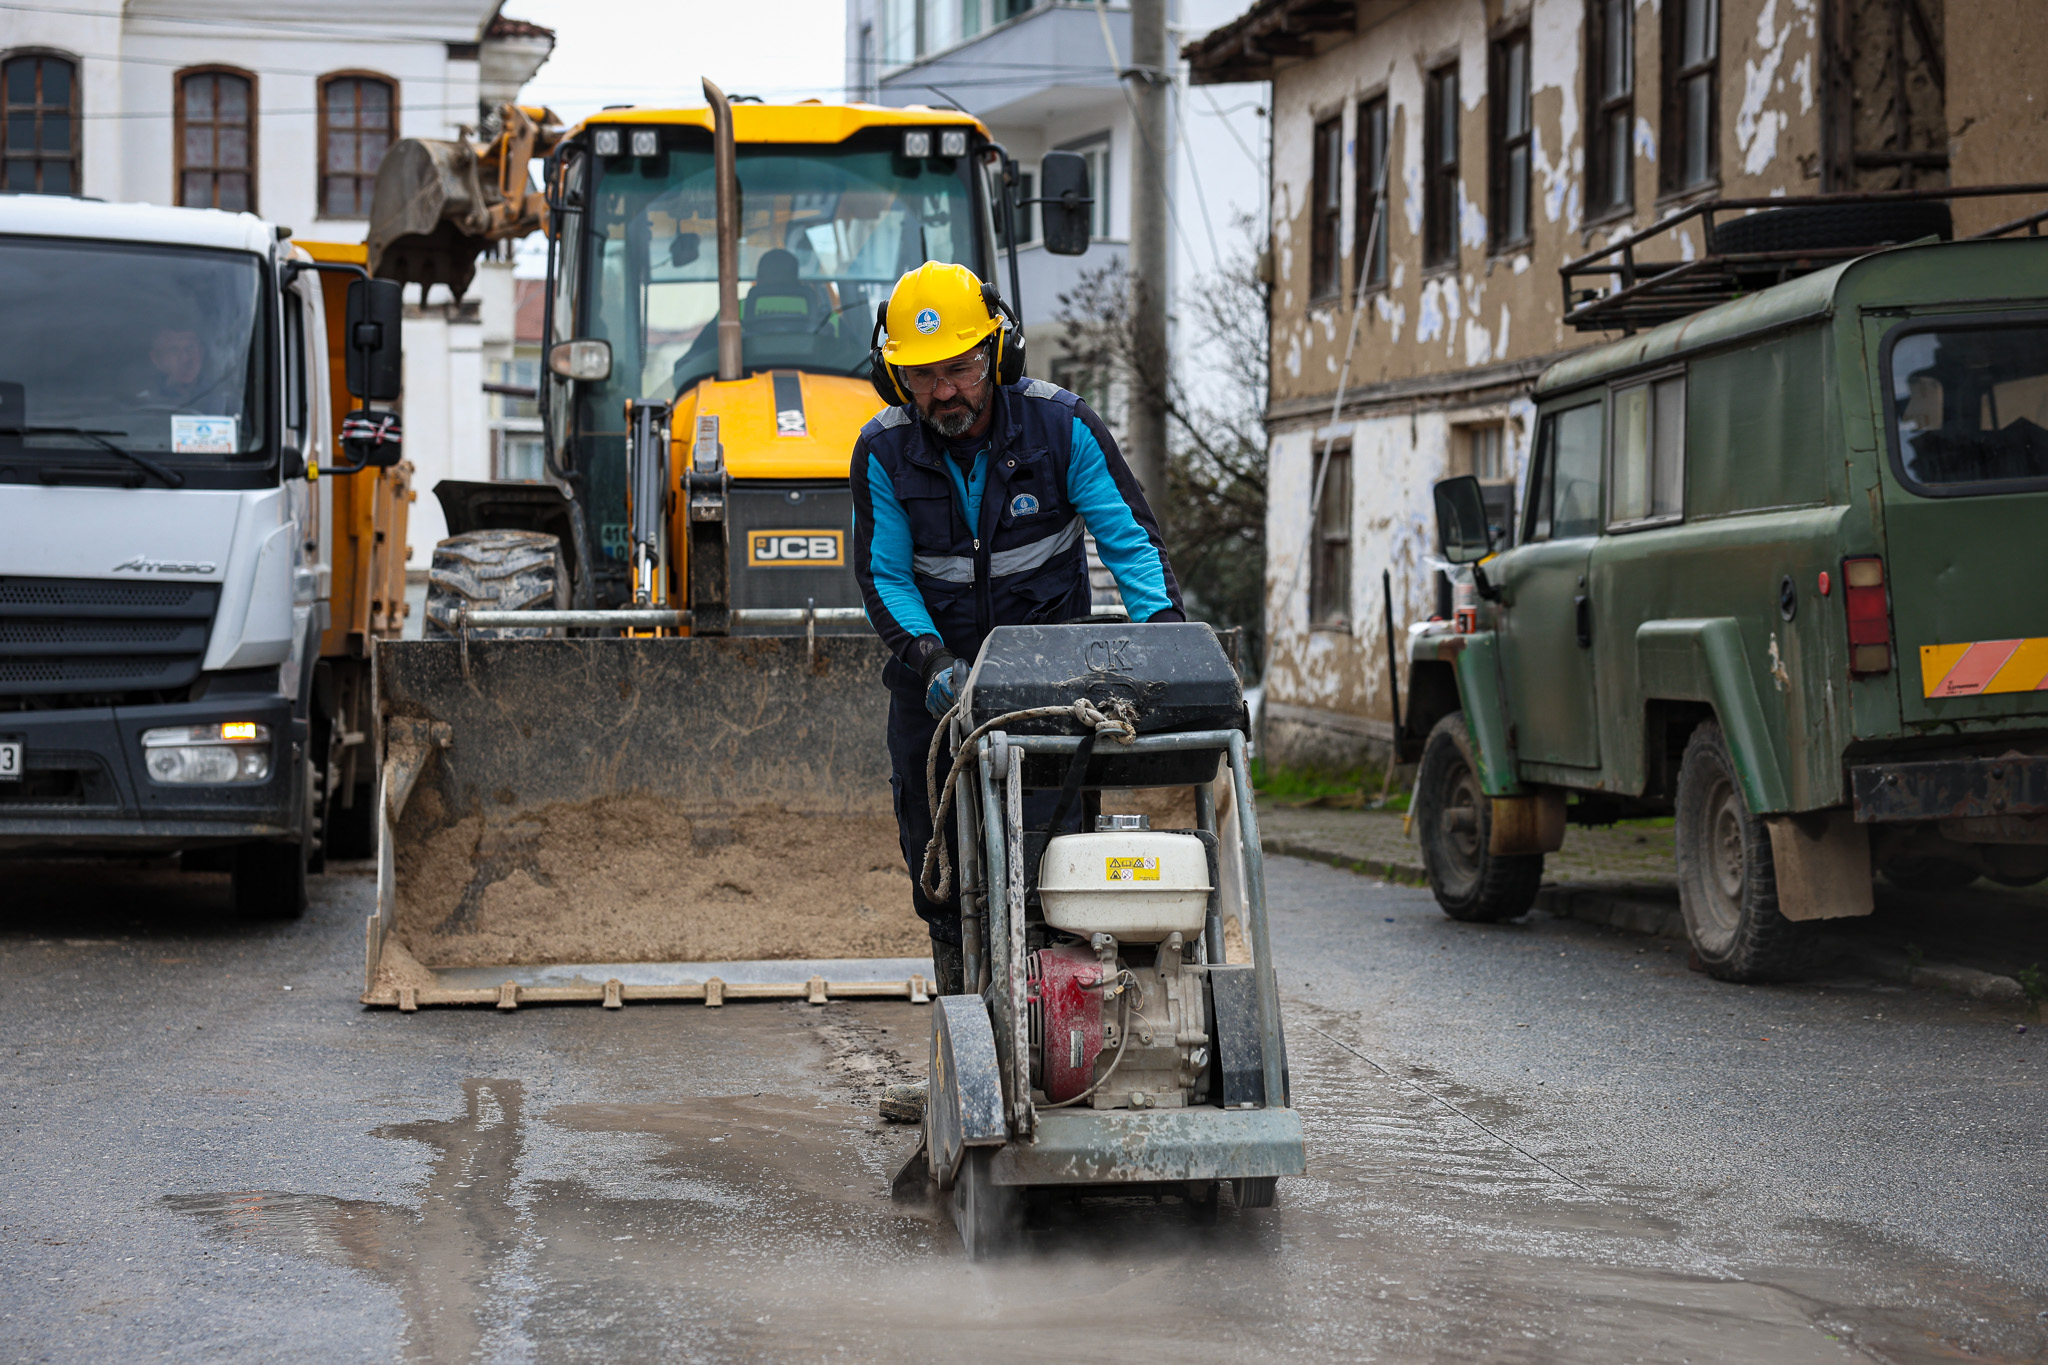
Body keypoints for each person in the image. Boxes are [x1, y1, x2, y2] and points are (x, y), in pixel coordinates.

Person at [850, 261, 1186, 996]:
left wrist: (1168, 641)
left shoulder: (1062, 426)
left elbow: (1128, 542)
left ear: (998, 353)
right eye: (922, 376)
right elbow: (885, 575)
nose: (944, 393)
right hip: (935, 690)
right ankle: (962, 1023)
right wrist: (932, 661)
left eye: (962, 368)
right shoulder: (881, 451)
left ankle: (1056, 1023)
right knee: (937, 869)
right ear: (893, 378)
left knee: (1053, 864)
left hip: (1053, 684)